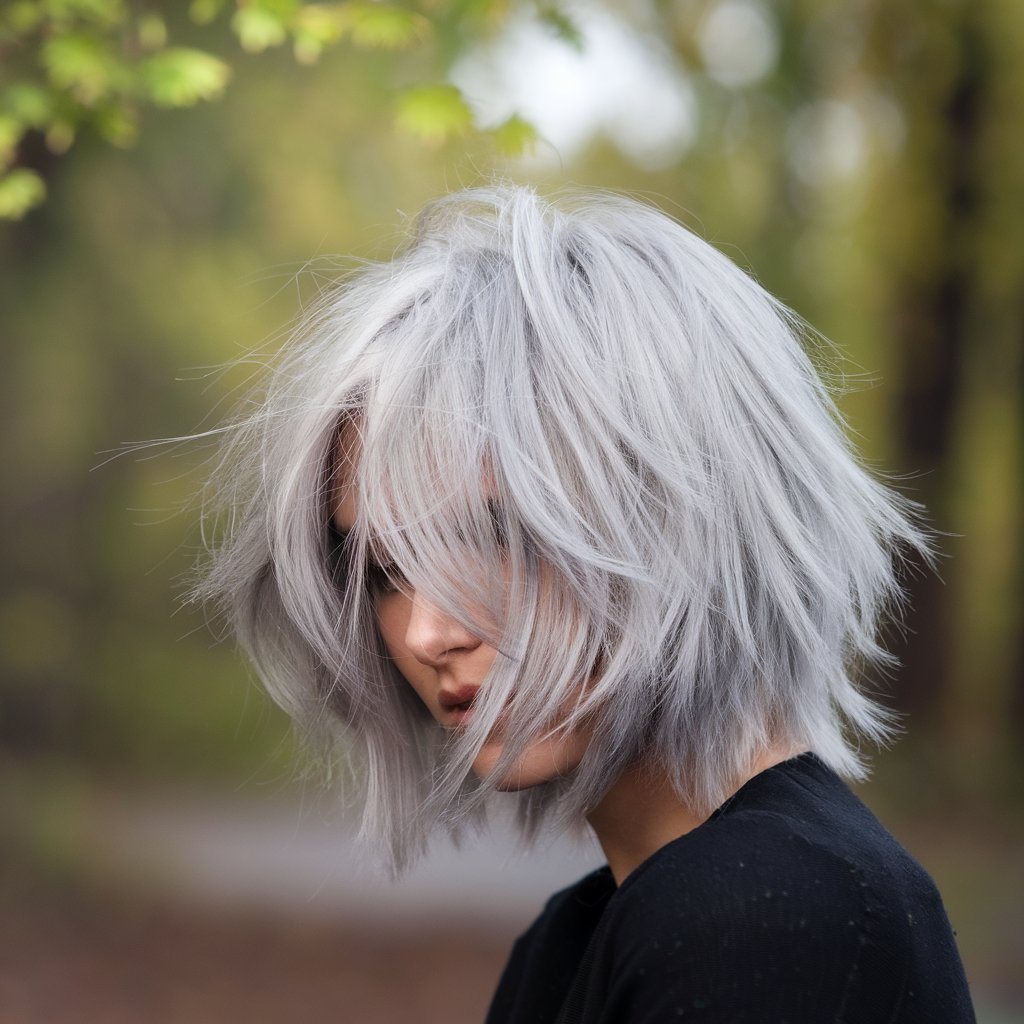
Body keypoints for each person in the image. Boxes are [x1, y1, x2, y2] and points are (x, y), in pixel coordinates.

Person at [195, 184, 976, 1022]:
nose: (426, 633)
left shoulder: (769, 920)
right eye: (386, 571)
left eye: (487, 538)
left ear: (680, 513)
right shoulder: (582, 935)